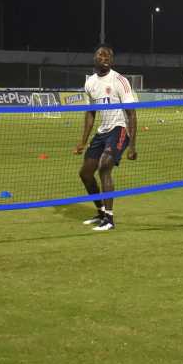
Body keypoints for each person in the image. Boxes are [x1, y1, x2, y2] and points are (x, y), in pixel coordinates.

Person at [75, 44, 138, 232]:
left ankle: (110, 220)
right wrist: (83, 141)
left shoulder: (120, 80)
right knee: (85, 173)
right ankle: (101, 212)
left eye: (109, 55)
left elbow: (132, 114)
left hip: (120, 129)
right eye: (101, 54)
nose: (105, 57)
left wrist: (132, 145)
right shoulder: (90, 83)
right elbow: (90, 113)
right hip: (102, 132)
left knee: (104, 166)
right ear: (95, 58)